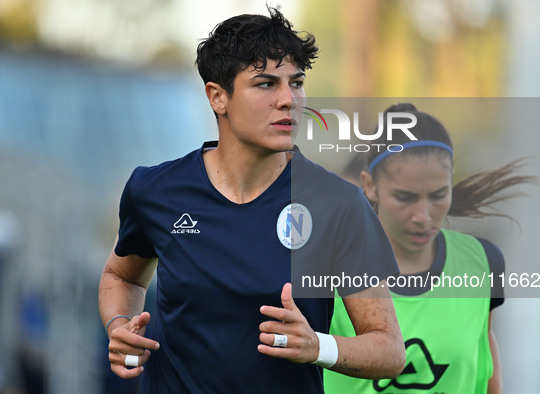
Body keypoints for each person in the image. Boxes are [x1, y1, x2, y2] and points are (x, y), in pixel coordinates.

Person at [98, 7, 406, 393]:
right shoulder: (156, 190)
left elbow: (390, 351)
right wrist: (118, 326)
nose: (289, 100)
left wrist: (318, 346)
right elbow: (120, 276)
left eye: (296, 83)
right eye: (266, 84)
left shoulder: (338, 204)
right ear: (218, 97)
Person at [325, 103, 536, 393]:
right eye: (405, 197)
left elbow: (484, 368)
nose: (423, 216)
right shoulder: (325, 268)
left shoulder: (482, 262)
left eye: (438, 195)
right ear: (370, 185)